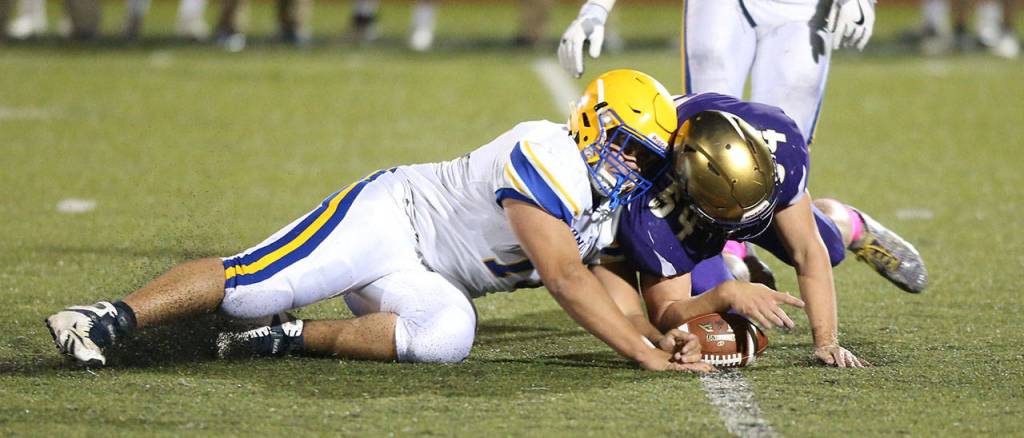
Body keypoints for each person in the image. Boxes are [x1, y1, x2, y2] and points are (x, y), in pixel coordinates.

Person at [44, 69, 713, 373]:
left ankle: (284, 339)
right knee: (253, 285)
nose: (630, 164)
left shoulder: (610, 210)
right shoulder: (549, 152)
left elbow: (614, 300)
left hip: (426, 277)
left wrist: (665, 337)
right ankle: (104, 317)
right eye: (624, 145)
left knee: (447, 334)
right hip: (395, 220)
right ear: (593, 122)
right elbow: (565, 278)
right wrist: (642, 355)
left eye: (644, 157)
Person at [558, 0, 877, 284]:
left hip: (802, 6)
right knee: (706, 136)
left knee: (775, 176)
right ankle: (730, 251)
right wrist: (596, 7)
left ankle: (845, 223)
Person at [598, 92, 928, 368]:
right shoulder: (653, 211)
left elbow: (808, 252)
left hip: (741, 191)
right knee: (716, 313)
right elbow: (666, 312)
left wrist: (826, 342)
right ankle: (733, 254)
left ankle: (846, 222)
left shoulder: (778, 146)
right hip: (694, 212)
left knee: (829, 249)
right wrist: (726, 293)